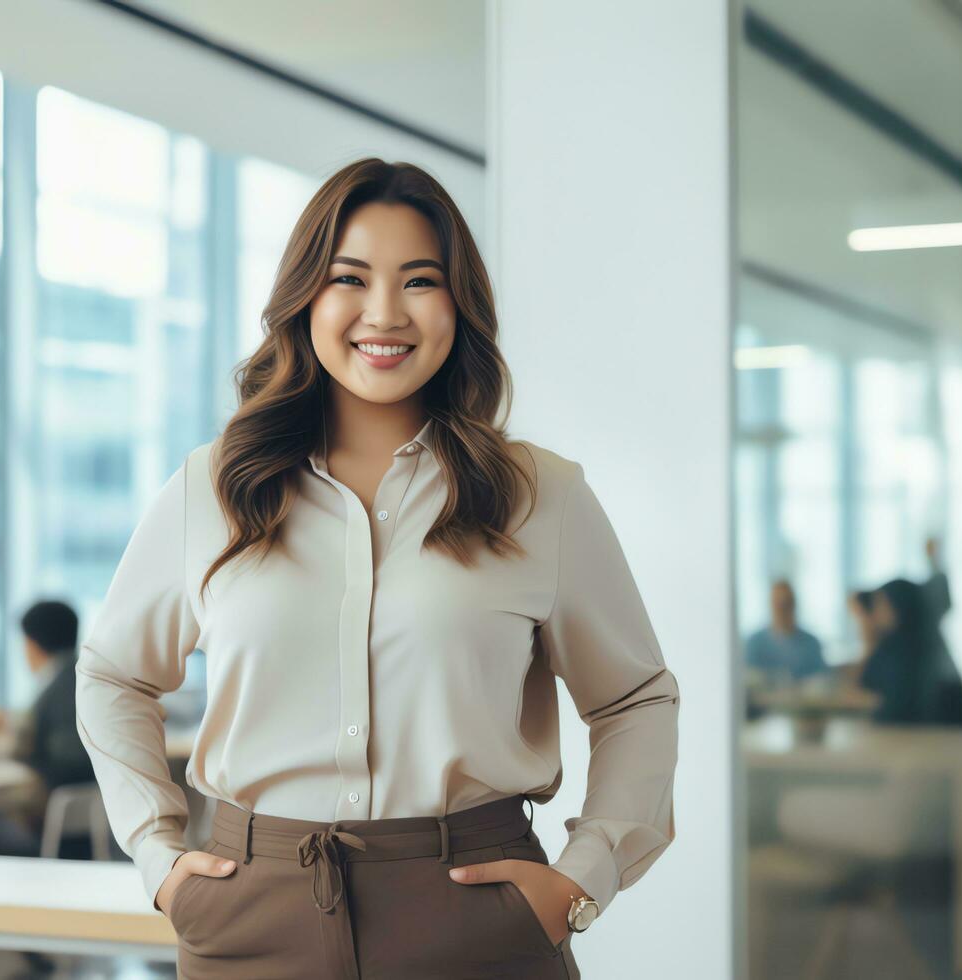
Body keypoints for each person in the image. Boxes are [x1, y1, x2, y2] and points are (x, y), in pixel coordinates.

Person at [75, 158, 679, 978]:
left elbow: (636, 697)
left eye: (420, 280)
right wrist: (157, 857)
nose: (384, 313)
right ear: (306, 298)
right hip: (250, 913)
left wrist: (582, 879)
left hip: (476, 916)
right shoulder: (214, 487)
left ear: (458, 304)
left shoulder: (542, 495)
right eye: (349, 278)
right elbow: (113, 675)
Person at [0, 600, 96, 858]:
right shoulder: (87, 677)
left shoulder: (51, 688)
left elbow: (33, 753)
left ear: (32, 643)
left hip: (51, 823)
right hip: (89, 824)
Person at [859, 578, 962, 727]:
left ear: (899, 606)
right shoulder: (889, 647)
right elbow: (864, 685)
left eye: (882, 604)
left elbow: (894, 710)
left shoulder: (919, 654)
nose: (877, 612)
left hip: (928, 741)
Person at [744, 579, 827, 684]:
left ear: (794, 604)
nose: (782, 609)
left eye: (786, 603)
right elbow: (750, 680)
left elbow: (822, 680)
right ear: (770, 604)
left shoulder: (811, 644)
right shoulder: (755, 643)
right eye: (778, 603)